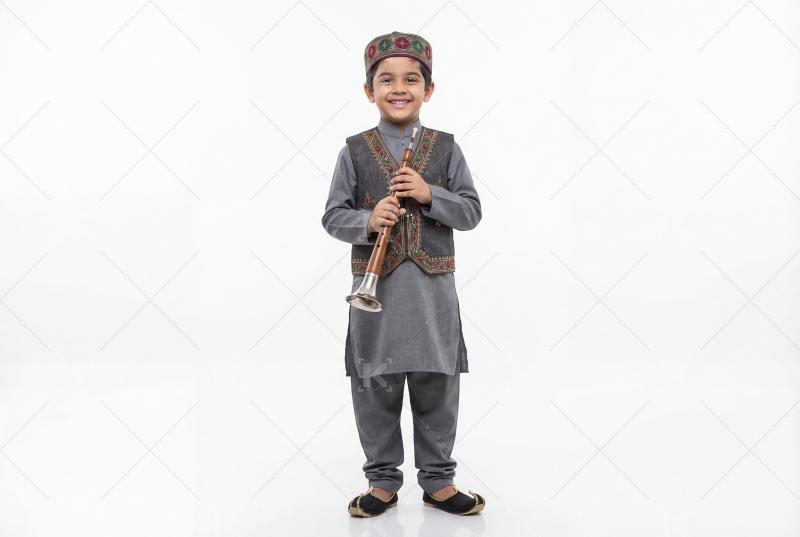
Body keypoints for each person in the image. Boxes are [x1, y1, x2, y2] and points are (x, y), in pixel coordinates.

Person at [321, 31, 484, 517]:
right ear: (369, 90)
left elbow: (472, 212)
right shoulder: (353, 150)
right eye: (386, 80)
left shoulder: (446, 149)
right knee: (375, 383)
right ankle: (382, 482)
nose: (399, 88)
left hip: (433, 293)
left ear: (428, 89)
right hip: (375, 293)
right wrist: (368, 220)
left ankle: (438, 481)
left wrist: (430, 194)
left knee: (437, 383)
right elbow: (333, 216)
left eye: (411, 79)